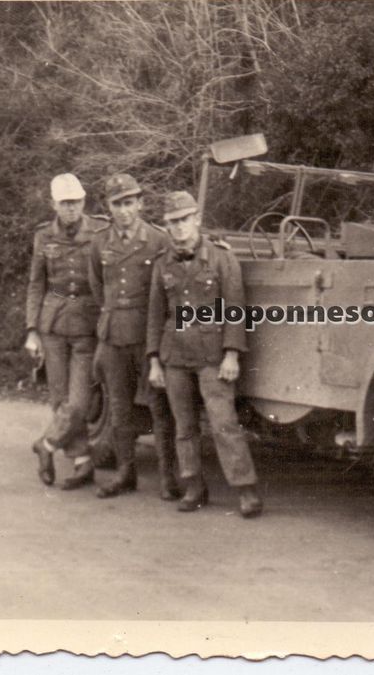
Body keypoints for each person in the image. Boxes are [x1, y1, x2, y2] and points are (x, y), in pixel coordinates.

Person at [146, 191, 263, 518]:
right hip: (175, 357)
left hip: (212, 355)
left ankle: (245, 488)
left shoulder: (222, 258)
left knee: (224, 423)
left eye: (184, 220)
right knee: (184, 426)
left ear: (197, 219)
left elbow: (236, 309)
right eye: (172, 222)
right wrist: (154, 359)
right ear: (166, 226)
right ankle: (194, 485)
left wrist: (232, 355)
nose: (179, 228)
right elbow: (156, 316)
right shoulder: (162, 264)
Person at [88, 173, 179, 500]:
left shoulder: (158, 240)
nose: (124, 210)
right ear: (108, 207)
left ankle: (170, 477)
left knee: (159, 406)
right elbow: (98, 289)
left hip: (148, 335)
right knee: (120, 408)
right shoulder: (99, 242)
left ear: (140, 204)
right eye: (117, 204)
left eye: (129, 203)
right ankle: (126, 473)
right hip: (113, 335)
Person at [25, 173, 108, 490]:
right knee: (60, 399)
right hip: (53, 324)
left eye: (75, 202)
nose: (71, 208)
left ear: (84, 202)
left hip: (87, 324)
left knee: (80, 401)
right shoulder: (43, 237)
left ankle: (45, 446)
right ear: (54, 204)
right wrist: (32, 330)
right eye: (64, 203)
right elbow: (36, 285)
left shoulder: (99, 230)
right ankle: (82, 461)